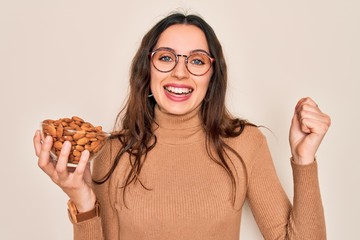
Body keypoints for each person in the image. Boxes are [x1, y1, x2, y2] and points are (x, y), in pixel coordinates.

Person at [33, 12, 331, 240]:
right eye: (166, 58)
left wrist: (304, 160)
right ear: (146, 69)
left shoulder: (244, 143)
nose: (180, 72)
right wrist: (83, 201)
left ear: (212, 75)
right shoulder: (114, 151)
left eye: (197, 61)